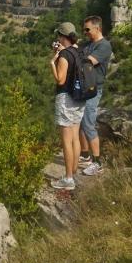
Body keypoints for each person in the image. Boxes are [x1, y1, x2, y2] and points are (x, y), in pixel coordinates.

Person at [50, 21, 85, 190]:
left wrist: (52, 63)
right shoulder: (78, 51)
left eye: (59, 35)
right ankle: (74, 172)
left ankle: (68, 178)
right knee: (75, 137)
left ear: (63, 37)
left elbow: (60, 79)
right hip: (79, 98)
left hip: (66, 99)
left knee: (66, 141)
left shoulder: (64, 56)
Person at [78, 15, 112, 176]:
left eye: (87, 29)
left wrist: (74, 57)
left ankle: (97, 162)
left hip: (94, 89)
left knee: (89, 124)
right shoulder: (88, 44)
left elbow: (87, 61)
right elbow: (77, 55)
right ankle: (85, 155)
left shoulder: (104, 46)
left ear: (97, 28)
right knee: (81, 122)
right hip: (84, 88)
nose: (85, 32)